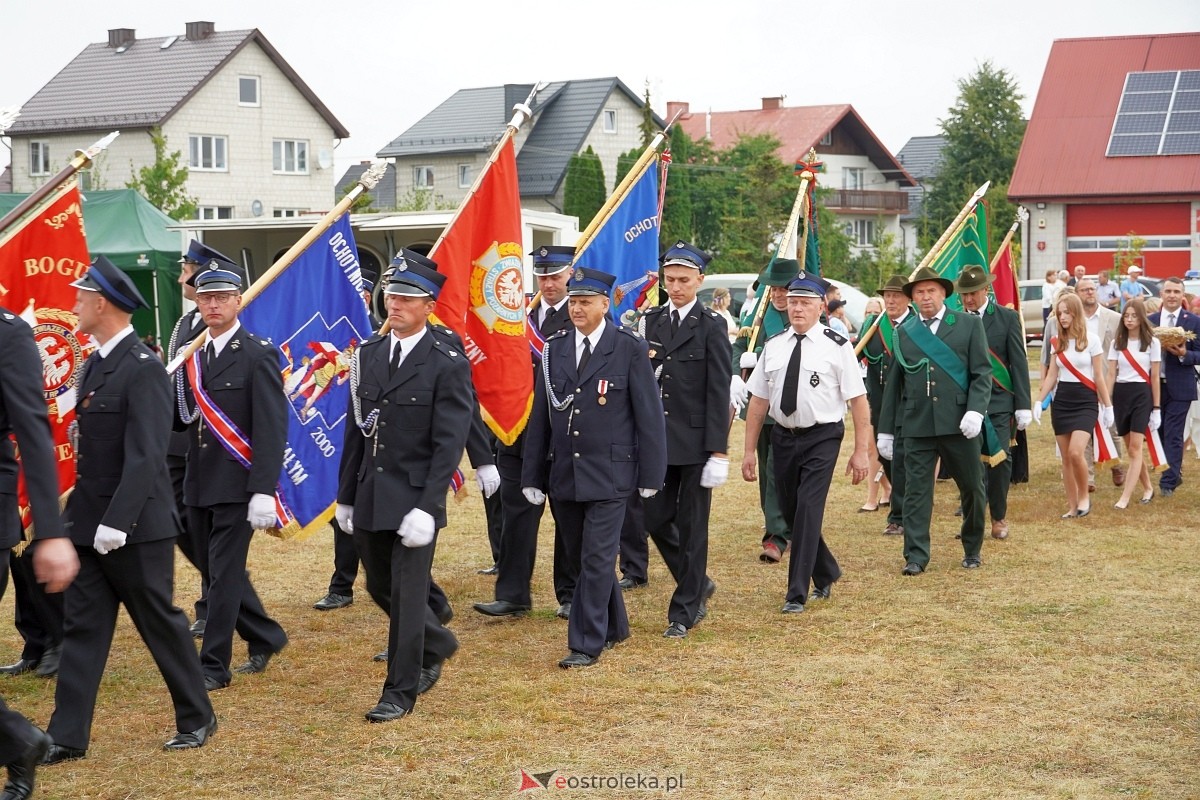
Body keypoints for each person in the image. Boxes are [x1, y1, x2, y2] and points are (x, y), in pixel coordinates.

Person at [42, 256, 215, 766]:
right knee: (82, 628)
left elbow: (146, 455)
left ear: (101, 304)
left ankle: (197, 716)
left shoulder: (142, 368)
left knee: (159, 623)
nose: (75, 305)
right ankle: (66, 735)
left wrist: (118, 522)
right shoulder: (95, 363)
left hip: (135, 528)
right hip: (89, 524)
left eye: (81, 298)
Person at [336, 250, 471, 721]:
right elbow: (356, 430)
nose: (394, 304)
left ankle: (398, 692)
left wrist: (428, 506)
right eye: (391, 296)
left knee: (409, 596)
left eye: (407, 298)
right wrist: (345, 497)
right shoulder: (368, 355)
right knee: (379, 585)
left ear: (429, 306)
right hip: (372, 493)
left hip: (415, 497)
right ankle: (437, 642)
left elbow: (449, 443)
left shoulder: (446, 362)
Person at [521, 266, 666, 667]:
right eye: (574, 301)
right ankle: (615, 625)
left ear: (605, 304)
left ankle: (585, 643)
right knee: (581, 554)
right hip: (565, 472)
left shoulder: (628, 347)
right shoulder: (555, 348)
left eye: (586, 302)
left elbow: (649, 415)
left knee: (598, 558)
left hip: (611, 473)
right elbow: (542, 415)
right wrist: (533, 474)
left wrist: (652, 473)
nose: (577, 308)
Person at [177, 258, 289, 691]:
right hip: (198, 480)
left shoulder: (258, 353)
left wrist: (263, 489)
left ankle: (213, 666)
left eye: (222, 297)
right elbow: (183, 419)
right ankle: (265, 634)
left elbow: (271, 427)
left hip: (237, 483)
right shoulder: (192, 354)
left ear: (238, 301)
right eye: (206, 298)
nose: (213, 305)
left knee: (222, 576)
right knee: (214, 572)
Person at [741, 272, 871, 613]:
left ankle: (796, 593)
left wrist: (861, 451)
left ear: (820, 307)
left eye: (805, 303)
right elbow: (758, 401)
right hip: (783, 436)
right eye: (793, 302)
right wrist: (748, 451)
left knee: (808, 509)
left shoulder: (837, 346)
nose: (797, 308)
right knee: (789, 511)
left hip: (822, 436)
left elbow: (858, 400)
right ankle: (825, 571)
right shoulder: (774, 345)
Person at [0, 301, 81, 799]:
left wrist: (50, 531)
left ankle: (19, 741)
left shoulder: (9, 334)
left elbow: (34, 431)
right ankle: (19, 740)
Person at [474, 246, 577, 620]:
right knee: (516, 517)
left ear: (570, 274)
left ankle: (571, 593)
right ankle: (512, 594)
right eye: (542, 276)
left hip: (563, 435)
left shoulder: (584, 312)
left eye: (555, 276)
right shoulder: (518, 317)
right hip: (518, 434)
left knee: (569, 520)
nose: (548, 284)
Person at [877, 266, 992, 575]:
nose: (926, 297)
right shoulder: (904, 332)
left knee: (972, 488)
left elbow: (982, 373)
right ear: (912, 298)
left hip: (959, 422)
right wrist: (886, 431)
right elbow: (894, 385)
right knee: (916, 492)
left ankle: (972, 547)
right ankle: (915, 556)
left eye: (931, 291)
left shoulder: (968, 324)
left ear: (943, 294)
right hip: (918, 424)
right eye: (919, 292)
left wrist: (975, 410)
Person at [640, 241, 730, 638]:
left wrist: (718, 451)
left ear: (700, 281)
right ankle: (698, 581)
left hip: (695, 443)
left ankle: (685, 609)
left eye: (683, 280)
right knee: (653, 518)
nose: (675, 287)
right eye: (670, 280)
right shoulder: (650, 322)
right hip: (658, 441)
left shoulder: (711, 325)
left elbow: (718, 390)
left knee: (693, 527)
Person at [167, 240, 231, 637]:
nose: (181, 279)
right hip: (179, 438)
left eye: (186, 271)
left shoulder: (221, 325)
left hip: (214, 439)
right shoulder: (185, 323)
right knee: (182, 524)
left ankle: (215, 603)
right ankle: (224, 592)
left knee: (210, 530)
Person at [730, 259, 801, 562]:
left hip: (793, 403)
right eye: (774, 289)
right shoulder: (757, 315)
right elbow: (738, 347)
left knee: (786, 471)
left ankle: (784, 528)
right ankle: (775, 526)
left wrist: (758, 356)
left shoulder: (803, 315)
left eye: (784, 289)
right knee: (766, 469)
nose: (779, 294)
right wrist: (737, 371)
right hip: (762, 404)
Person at [957, 265, 1032, 540]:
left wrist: (1023, 404)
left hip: (999, 401)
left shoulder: (1006, 318)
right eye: (964, 294)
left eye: (973, 293)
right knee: (968, 463)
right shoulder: (954, 321)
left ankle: (998, 516)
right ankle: (972, 520)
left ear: (986, 290)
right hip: (966, 402)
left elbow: (1018, 362)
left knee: (1000, 460)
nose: (968, 299)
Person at [1034, 292, 1114, 518]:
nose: (1062, 317)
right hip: (1062, 401)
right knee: (1066, 458)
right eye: (1059, 313)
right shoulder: (1057, 341)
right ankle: (1072, 506)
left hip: (1086, 401)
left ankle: (1084, 496)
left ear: (1076, 313)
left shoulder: (1092, 340)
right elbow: (1052, 375)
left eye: (1067, 312)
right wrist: (1039, 401)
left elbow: (1098, 376)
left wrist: (1108, 406)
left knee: (1076, 452)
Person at [1044, 278, 1124, 490]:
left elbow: (1121, 350)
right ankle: (1087, 479)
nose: (1089, 292)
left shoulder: (1113, 318)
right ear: (1077, 294)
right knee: (1080, 439)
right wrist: (1040, 396)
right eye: (1084, 289)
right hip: (1074, 389)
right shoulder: (1059, 323)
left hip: (1104, 380)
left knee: (1111, 429)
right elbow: (1048, 361)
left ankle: (1116, 464)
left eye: (1092, 288)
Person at [859, 278, 910, 535]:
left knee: (904, 458)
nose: (890, 300)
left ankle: (899, 515)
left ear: (908, 299)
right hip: (879, 403)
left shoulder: (916, 325)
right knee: (884, 455)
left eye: (896, 295)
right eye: (887, 295)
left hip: (908, 403)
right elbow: (856, 353)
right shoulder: (873, 325)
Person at [1106, 300, 1161, 508]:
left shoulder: (1152, 343)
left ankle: (1125, 497)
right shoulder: (1117, 342)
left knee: (1136, 447)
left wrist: (1156, 408)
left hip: (1142, 395)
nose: (1129, 320)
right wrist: (1106, 402)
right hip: (1121, 395)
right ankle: (1148, 488)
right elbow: (1111, 374)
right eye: (1126, 316)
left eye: (1134, 316)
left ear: (1141, 318)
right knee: (1131, 449)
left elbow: (1155, 377)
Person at [1149, 277, 1200, 496]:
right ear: (1161, 294)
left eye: (1176, 292)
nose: (1172, 295)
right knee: (1159, 431)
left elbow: (1199, 353)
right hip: (1154, 387)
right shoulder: (1150, 321)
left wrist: (1184, 354)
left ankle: (1168, 482)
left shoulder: (1194, 321)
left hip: (1181, 385)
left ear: (1182, 295)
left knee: (1174, 432)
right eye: (1168, 291)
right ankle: (1172, 471)